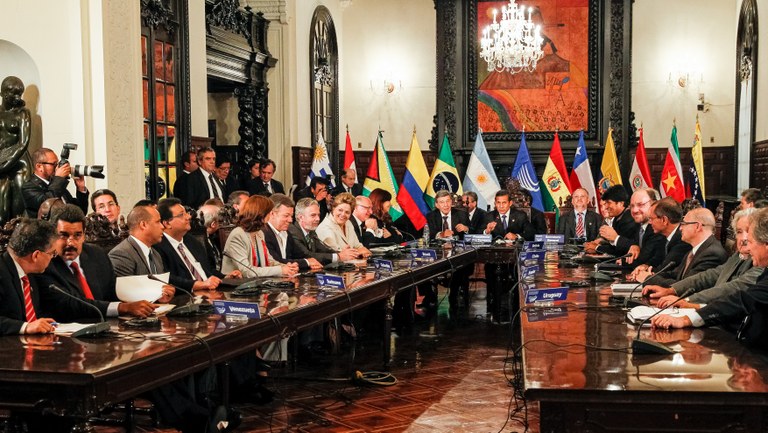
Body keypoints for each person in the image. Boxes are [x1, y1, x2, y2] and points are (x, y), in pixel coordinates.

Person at [32, 204, 156, 321]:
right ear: (53, 236)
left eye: (77, 235)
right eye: (63, 235)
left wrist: (153, 296)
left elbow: (113, 293)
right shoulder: (45, 263)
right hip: (67, 332)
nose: (71, 243)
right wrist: (121, 308)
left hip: (107, 328)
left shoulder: (96, 254)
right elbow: (70, 304)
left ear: (84, 235)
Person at [651, 208, 768, 332]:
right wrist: (673, 291)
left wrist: (688, 310)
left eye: (750, 238)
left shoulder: (759, 267)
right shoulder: (739, 256)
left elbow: (740, 298)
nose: (745, 242)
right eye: (739, 232)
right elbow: (711, 275)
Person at [155, 198, 241, 292]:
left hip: (211, 292)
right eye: (181, 215)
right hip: (187, 297)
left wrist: (225, 277)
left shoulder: (192, 241)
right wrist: (198, 285)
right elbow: (167, 278)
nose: (188, 217)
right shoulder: (158, 247)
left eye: (186, 213)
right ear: (167, 223)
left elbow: (206, 270)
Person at [635, 207, 728, 286]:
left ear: (697, 227)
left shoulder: (712, 254)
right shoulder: (695, 249)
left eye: (684, 224)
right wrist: (652, 274)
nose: (680, 228)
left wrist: (648, 279)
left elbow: (685, 285)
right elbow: (675, 274)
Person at [0, 218, 58, 335]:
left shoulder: (29, 275)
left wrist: (38, 323)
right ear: (36, 255)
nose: (52, 258)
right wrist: (25, 327)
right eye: (52, 253)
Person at [107, 204, 176, 303]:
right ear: (143, 225)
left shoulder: (155, 254)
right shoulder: (121, 254)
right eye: (158, 222)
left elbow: (159, 290)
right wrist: (155, 294)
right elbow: (124, 294)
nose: (162, 226)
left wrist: (164, 294)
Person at [220, 195, 298, 277]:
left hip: (256, 284)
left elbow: (269, 261)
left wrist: (286, 267)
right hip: (235, 286)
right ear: (261, 214)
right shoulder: (238, 235)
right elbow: (247, 271)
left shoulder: (259, 233)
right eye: (269, 212)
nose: (271, 215)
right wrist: (280, 270)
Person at [628, 198, 690, 280]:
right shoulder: (663, 236)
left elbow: (666, 268)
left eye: (651, 219)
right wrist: (645, 266)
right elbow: (657, 259)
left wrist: (646, 274)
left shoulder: (682, 240)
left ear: (664, 220)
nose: (649, 222)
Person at [21, 147, 89, 218]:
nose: (57, 167)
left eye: (57, 163)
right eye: (54, 164)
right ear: (39, 167)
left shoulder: (57, 184)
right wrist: (59, 179)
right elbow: (48, 204)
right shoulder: (29, 187)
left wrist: (81, 188)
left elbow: (80, 213)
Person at [0, 76, 32, 224]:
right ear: (3, 93)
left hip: (19, 163)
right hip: (1, 161)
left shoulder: (22, 113)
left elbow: (23, 143)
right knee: (2, 208)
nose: (18, 97)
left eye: (20, 93)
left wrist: (6, 165)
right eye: (14, 93)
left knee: (19, 210)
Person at [263, 194, 323, 271]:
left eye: (291, 216)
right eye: (286, 216)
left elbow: (300, 255)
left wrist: (312, 262)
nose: (290, 220)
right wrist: (307, 262)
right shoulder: (263, 233)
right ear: (272, 214)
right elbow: (275, 261)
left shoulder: (286, 233)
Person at [289, 198, 357, 265]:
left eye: (318, 215)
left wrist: (341, 253)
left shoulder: (311, 232)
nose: (318, 219)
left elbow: (324, 250)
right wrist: (339, 256)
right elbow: (307, 255)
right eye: (313, 215)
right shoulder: (293, 232)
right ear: (301, 217)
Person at [584, 185, 638, 255]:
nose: (606, 207)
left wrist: (597, 248)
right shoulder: (617, 217)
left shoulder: (629, 219)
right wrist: (596, 245)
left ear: (621, 203)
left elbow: (621, 251)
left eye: (608, 203)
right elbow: (613, 245)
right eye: (605, 203)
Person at [315, 192, 370, 258]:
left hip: (351, 265)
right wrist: (358, 252)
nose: (343, 214)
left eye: (347, 212)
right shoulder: (325, 228)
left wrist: (357, 252)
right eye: (340, 210)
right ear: (333, 208)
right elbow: (340, 255)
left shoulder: (348, 223)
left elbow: (360, 247)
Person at [622, 188, 666, 268]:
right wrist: (633, 245)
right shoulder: (635, 225)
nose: (634, 210)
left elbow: (646, 259)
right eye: (632, 206)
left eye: (640, 205)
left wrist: (621, 261)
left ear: (655, 204)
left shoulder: (658, 228)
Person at [199, 203, 223, 272]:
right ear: (213, 224)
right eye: (220, 222)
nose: (221, 225)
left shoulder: (215, 237)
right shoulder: (199, 241)